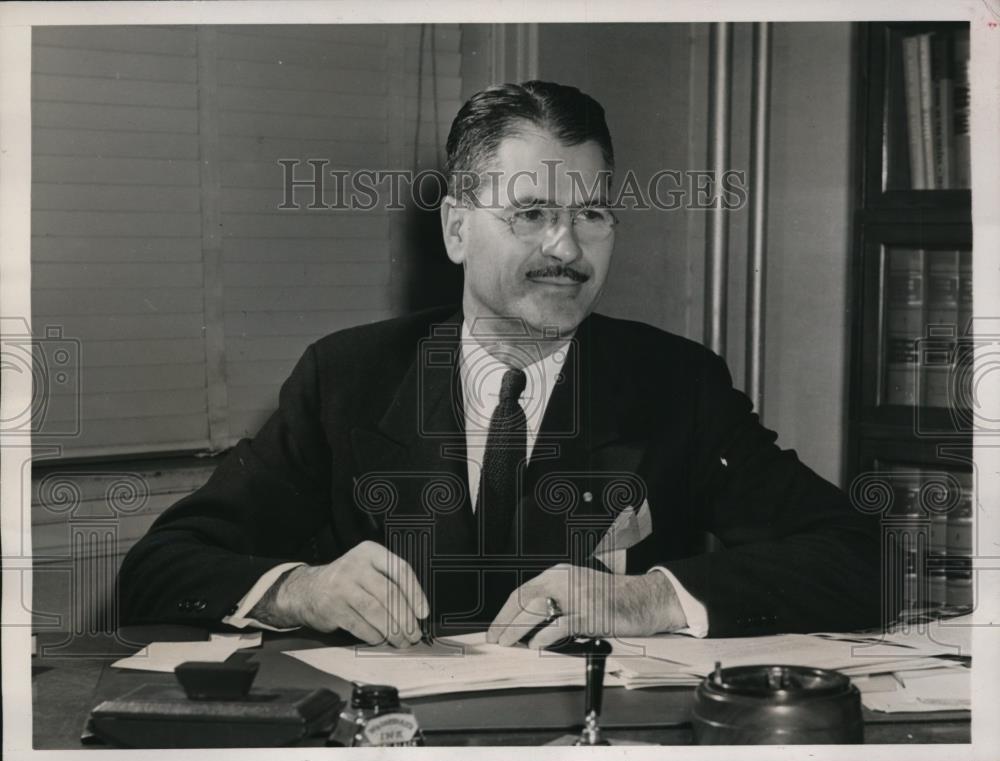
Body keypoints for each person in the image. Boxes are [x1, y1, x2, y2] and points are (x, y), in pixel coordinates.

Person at [119, 80, 889, 648]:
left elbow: (864, 558)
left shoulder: (675, 385)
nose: (567, 248)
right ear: (457, 228)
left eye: (591, 213)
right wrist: (301, 589)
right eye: (531, 214)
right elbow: (160, 566)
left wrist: (652, 597)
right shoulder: (347, 378)